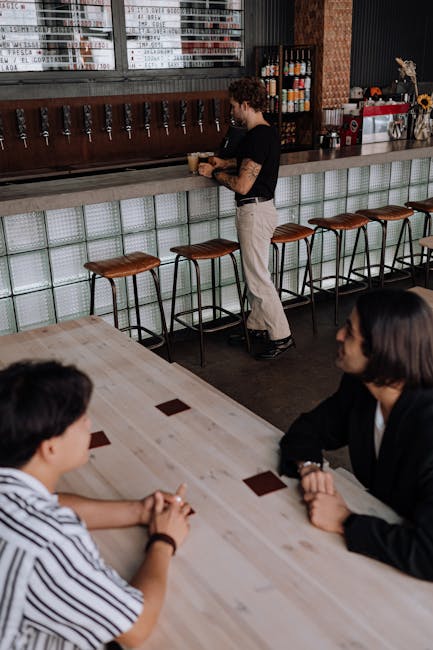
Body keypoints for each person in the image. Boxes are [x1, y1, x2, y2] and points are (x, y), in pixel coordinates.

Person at [0, 360, 191, 649]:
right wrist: (164, 540)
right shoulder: (49, 541)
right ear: (49, 447)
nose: (89, 424)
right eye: (80, 419)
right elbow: (136, 628)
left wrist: (138, 511)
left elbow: (48, 503)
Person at [279, 288, 433, 580]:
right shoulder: (362, 388)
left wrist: (344, 520)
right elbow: (307, 429)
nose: (338, 336)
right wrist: (309, 467)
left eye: (349, 332)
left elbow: (429, 553)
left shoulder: (427, 426)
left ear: (380, 351)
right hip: (391, 542)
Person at [199, 77, 294, 360]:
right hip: (261, 209)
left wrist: (214, 173)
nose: (231, 112)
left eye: (233, 106)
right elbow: (251, 163)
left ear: (244, 104)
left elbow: (242, 184)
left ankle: (281, 335)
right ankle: (256, 326)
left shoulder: (256, 136)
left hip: (254, 210)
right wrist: (224, 162)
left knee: (258, 278)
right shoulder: (266, 132)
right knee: (254, 274)